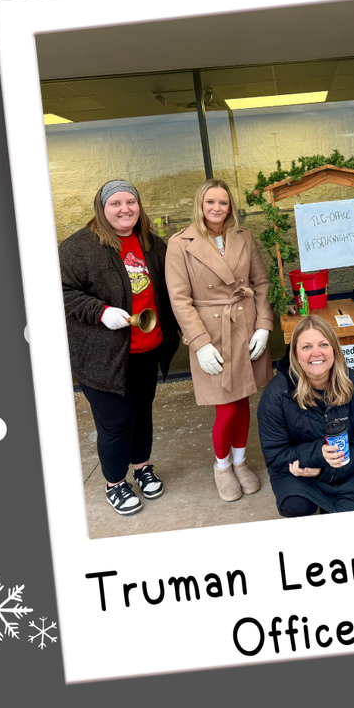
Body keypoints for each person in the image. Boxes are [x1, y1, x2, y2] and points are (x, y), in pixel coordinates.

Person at [59, 180, 179, 516]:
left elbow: (174, 286)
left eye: (131, 202)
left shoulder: (151, 243)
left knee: (141, 413)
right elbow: (60, 291)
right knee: (117, 421)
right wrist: (101, 312)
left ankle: (141, 467)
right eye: (115, 203)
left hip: (147, 349)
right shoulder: (79, 247)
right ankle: (115, 483)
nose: (125, 209)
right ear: (102, 208)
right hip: (102, 357)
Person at [165, 179, 273, 502]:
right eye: (210, 202)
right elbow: (179, 300)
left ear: (230, 206)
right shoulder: (180, 244)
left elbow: (261, 282)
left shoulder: (243, 236)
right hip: (212, 334)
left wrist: (264, 325)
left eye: (223, 202)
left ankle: (240, 461)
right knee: (225, 409)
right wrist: (199, 342)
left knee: (243, 402)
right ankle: (222, 466)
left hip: (245, 327)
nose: (217, 208)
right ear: (200, 204)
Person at [257, 314, 354, 516]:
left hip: (344, 472)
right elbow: (275, 455)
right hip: (298, 473)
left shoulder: (353, 384)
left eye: (323, 344)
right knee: (296, 505)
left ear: (334, 350)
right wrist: (317, 454)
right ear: (295, 354)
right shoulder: (276, 395)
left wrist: (323, 470)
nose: (316, 353)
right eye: (306, 347)